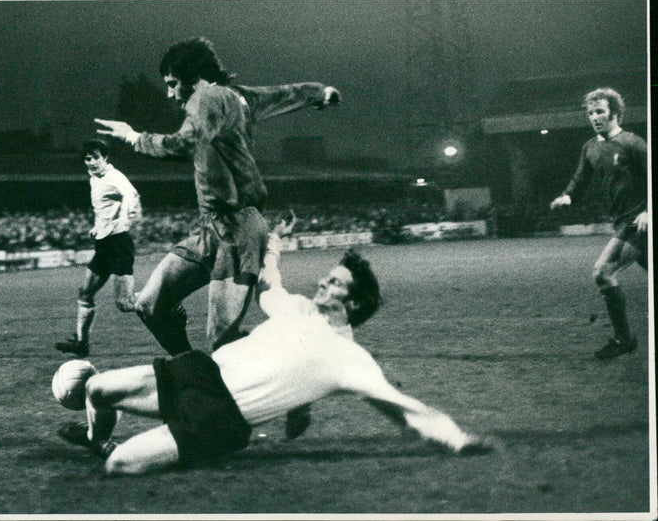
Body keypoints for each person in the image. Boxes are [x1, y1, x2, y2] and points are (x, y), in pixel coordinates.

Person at [55, 217, 491, 475]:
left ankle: (123, 451)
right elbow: (269, 284)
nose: (323, 280)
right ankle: (97, 438)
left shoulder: (349, 360)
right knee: (97, 389)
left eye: (336, 282)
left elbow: (405, 409)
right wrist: (276, 244)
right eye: (329, 275)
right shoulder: (297, 307)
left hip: (220, 417)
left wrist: (456, 439)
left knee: (120, 468)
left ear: (353, 302)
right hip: (200, 373)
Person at [94, 36, 341, 355]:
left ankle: (297, 358)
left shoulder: (205, 97)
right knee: (149, 305)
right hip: (211, 230)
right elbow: (282, 94)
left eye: (172, 84)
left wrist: (132, 137)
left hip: (237, 232)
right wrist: (320, 92)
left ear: (193, 77)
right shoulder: (237, 97)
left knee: (222, 342)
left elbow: (183, 143)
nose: (170, 94)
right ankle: (193, 374)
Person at [549, 87, 648, 360]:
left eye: (600, 111)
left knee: (603, 272)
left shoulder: (633, 143)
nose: (595, 117)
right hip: (624, 222)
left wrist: (649, 210)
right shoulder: (590, 147)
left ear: (614, 113)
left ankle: (624, 339)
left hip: (638, 222)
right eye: (591, 113)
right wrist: (568, 196)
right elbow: (580, 179)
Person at [56, 139, 142, 358]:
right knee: (85, 293)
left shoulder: (115, 177)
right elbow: (105, 208)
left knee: (125, 303)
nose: (92, 162)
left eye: (96, 157)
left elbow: (132, 195)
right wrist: (98, 227)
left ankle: (167, 302)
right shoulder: (94, 178)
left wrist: (131, 216)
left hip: (118, 243)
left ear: (106, 158)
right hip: (103, 244)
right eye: (87, 158)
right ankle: (81, 344)